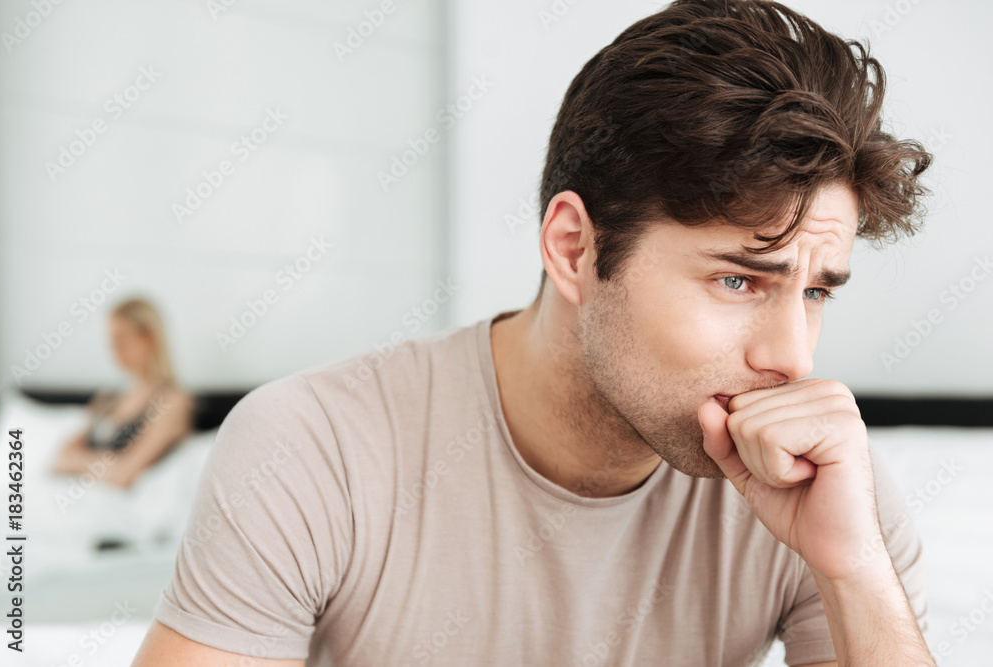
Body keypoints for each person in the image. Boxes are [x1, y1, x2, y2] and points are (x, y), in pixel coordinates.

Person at [133, 1, 937, 664]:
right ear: (574, 249)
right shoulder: (315, 450)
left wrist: (856, 573)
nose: (792, 357)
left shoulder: (831, 497)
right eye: (737, 279)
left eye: (818, 292)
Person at [51, 297, 194, 491]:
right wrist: (108, 465)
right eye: (112, 341)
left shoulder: (172, 402)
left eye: (122, 339)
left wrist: (82, 462)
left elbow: (126, 475)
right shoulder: (106, 399)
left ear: (150, 339)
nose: (115, 350)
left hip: (118, 508)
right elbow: (59, 461)